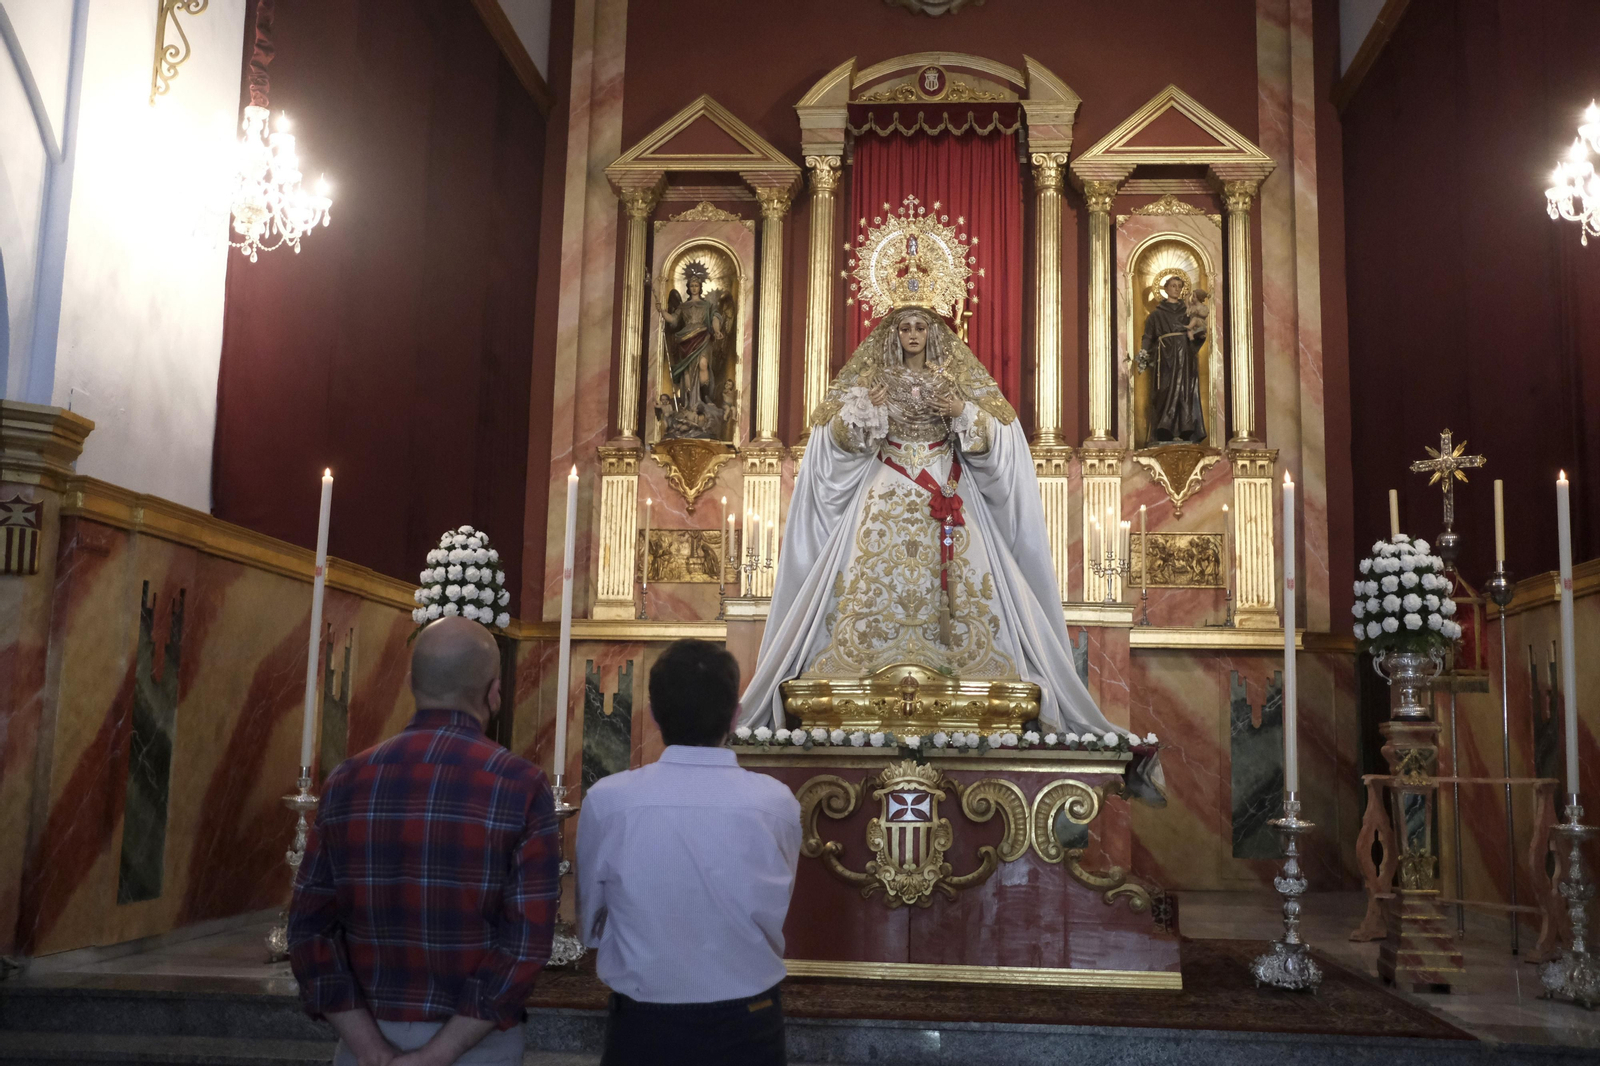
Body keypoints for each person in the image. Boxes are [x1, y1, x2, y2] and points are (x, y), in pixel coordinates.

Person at [737, 306, 1127, 743]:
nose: (913, 335)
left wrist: (963, 410)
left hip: (946, 484)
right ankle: (859, 662)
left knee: (966, 576)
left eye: (921, 327)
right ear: (894, 334)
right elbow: (833, 437)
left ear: (933, 333)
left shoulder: (954, 377)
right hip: (886, 484)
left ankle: (969, 665)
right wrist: (866, 409)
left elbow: (1000, 433)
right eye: (905, 328)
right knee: (869, 572)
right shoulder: (875, 380)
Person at [289, 616, 559, 1066]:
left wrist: (371, 1051)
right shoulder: (521, 785)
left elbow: (309, 930)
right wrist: (441, 1053)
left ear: (412, 682)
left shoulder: (347, 779)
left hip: (366, 1039)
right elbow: (526, 943)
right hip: (476, 1046)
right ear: (495, 692)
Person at [578, 639, 800, 1066]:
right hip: (749, 1021)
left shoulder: (610, 800)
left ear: (654, 713)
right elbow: (778, 900)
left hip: (645, 1025)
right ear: (735, 716)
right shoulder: (776, 803)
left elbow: (590, 919)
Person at [1135, 274, 1208, 444]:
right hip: (1165, 357)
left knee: (1185, 390)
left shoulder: (1189, 311)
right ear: (1165, 289)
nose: (1176, 288)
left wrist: (1198, 334)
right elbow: (1148, 336)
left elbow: (1199, 330)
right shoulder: (1155, 315)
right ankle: (1164, 427)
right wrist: (1144, 353)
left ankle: (1186, 427)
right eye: (1172, 285)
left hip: (1186, 357)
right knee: (1165, 389)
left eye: (1179, 286)